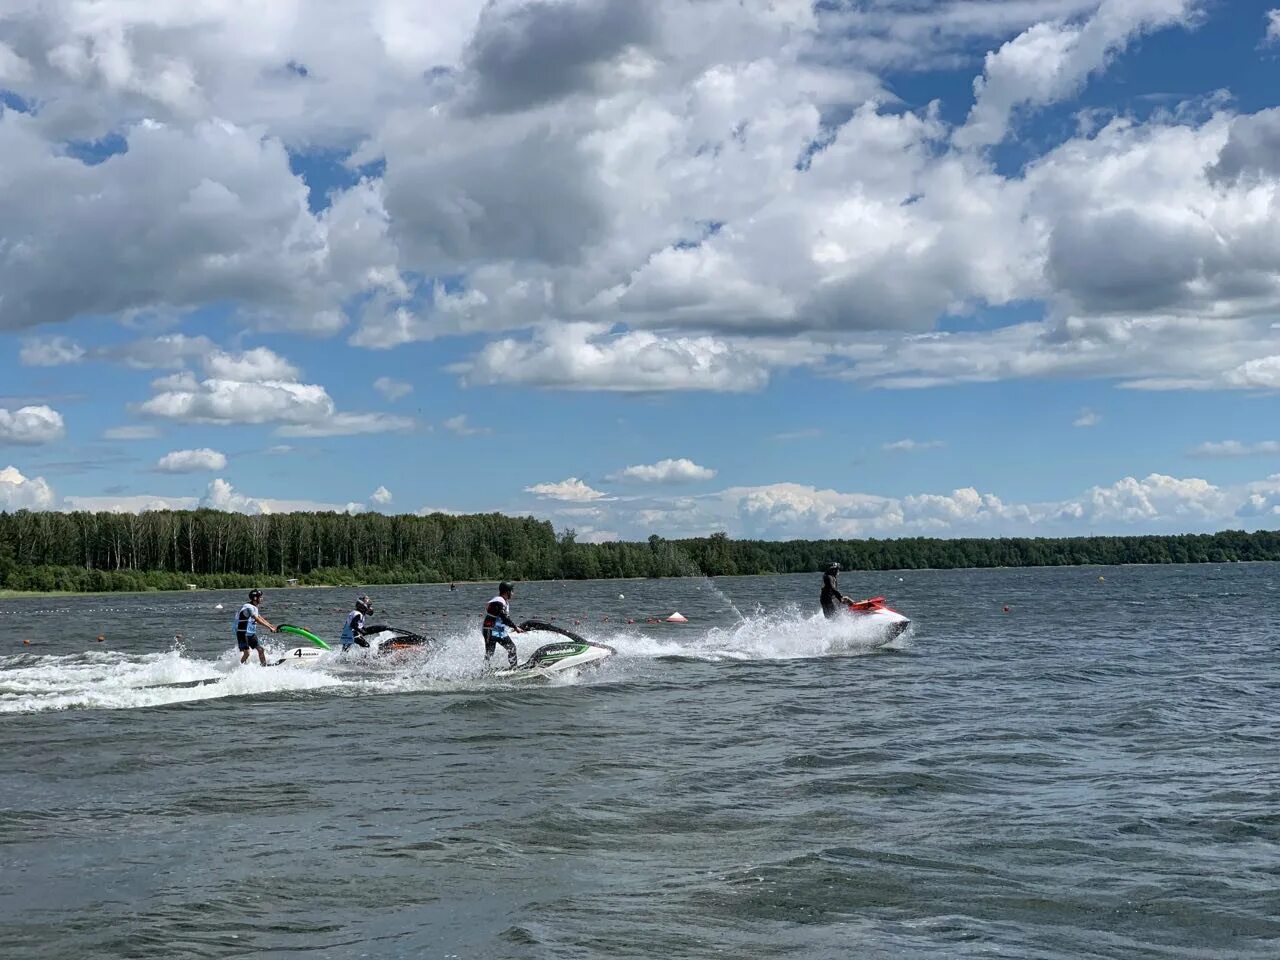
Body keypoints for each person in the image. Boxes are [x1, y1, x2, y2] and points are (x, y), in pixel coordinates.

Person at [481, 581, 525, 668]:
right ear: (507, 592)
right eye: (512, 591)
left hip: (500, 632)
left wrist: (511, 627)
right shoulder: (498, 601)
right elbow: (503, 617)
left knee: (512, 648)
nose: (513, 593)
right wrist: (515, 627)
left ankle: (514, 668)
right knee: (490, 653)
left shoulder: (504, 601)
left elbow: (502, 619)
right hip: (490, 630)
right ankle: (485, 671)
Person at [236, 589, 277, 665]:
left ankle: (264, 666)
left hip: (251, 634)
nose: (262, 599)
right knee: (247, 653)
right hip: (243, 634)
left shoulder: (255, 607)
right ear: (255, 598)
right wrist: (270, 628)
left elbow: (260, 617)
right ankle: (239, 669)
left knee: (261, 650)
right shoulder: (248, 607)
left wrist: (271, 626)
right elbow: (257, 619)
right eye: (260, 597)